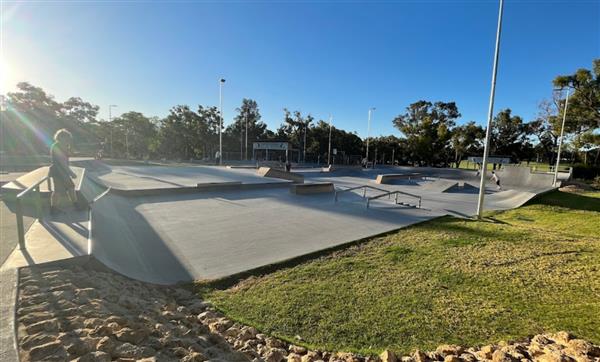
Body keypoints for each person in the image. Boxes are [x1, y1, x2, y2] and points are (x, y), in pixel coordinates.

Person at [49, 129, 78, 214]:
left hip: (63, 172)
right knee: (58, 190)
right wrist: (71, 173)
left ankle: (75, 205)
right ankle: (53, 208)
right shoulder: (56, 147)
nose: (68, 140)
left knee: (71, 187)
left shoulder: (64, 146)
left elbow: (66, 161)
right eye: (66, 138)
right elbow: (62, 162)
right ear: (60, 138)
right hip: (58, 172)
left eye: (68, 138)